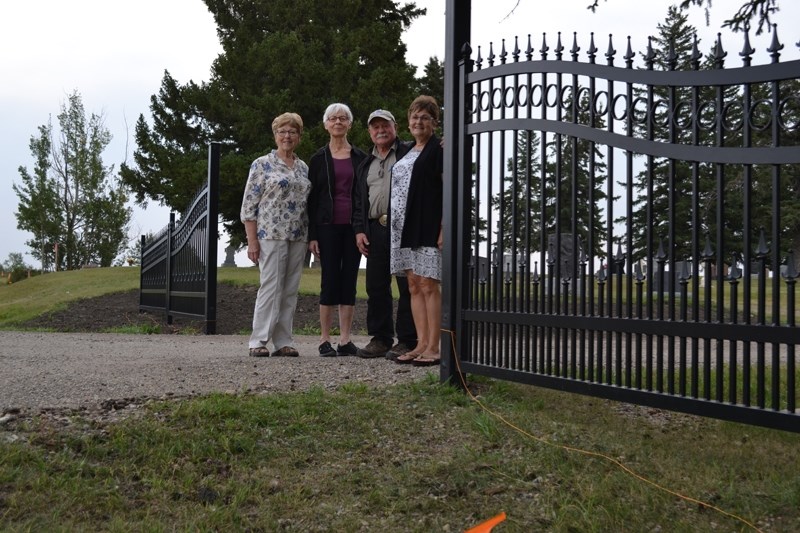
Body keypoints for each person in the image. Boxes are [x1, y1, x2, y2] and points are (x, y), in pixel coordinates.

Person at [241, 112, 311, 357]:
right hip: (270, 234)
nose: (287, 136)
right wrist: (252, 241)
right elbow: (249, 206)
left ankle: (283, 341)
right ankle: (258, 341)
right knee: (270, 287)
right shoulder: (262, 164)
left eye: (292, 131)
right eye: (282, 131)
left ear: (299, 136)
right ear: (275, 135)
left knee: (290, 289)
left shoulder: (303, 167)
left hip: (298, 234)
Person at [352, 109, 417, 359]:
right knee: (376, 286)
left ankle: (408, 339)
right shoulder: (365, 163)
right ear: (369, 132)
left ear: (395, 127)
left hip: (403, 228)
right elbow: (359, 201)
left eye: (385, 126)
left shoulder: (409, 152)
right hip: (374, 229)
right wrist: (359, 230)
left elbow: (432, 148)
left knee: (406, 285)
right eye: (375, 127)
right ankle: (380, 338)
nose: (381, 130)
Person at [307, 103, 367, 357]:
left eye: (343, 118)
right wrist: (312, 234)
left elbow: (364, 196)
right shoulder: (318, 159)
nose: (338, 122)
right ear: (326, 125)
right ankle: (324, 339)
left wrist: (362, 228)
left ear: (350, 124)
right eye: (333, 119)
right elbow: (312, 198)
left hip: (353, 228)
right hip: (326, 227)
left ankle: (344, 340)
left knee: (349, 280)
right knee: (329, 280)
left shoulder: (361, 158)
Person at [389, 96, 443, 366]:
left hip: (427, 222)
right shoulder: (407, 150)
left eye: (425, 117)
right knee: (412, 285)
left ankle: (435, 346)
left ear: (434, 122)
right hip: (402, 226)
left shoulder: (439, 149)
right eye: (414, 117)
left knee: (428, 284)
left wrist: (444, 226)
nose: (418, 121)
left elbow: (447, 188)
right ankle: (421, 344)